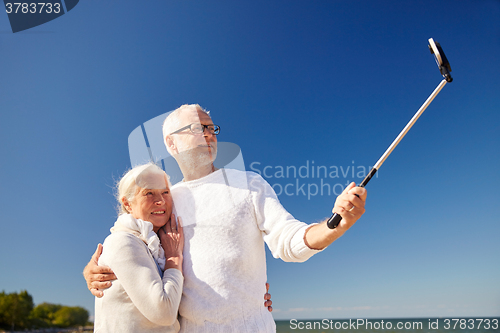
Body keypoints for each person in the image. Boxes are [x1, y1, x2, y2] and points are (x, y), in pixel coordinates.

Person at [85, 104, 367, 332]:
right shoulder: (168, 199)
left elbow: (287, 238)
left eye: (212, 128)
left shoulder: (249, 184)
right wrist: (94, 271)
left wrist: (335, 226)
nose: (209, 134)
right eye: (198, 128)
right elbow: (136, 245)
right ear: (171, 144)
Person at [93, 163, 184, 333]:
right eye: (149, 193)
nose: (160, 201)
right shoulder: (122, 242)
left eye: (165, 192)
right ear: (127, 204)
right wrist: (174, 258)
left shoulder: (156, 245)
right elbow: (163, 313)